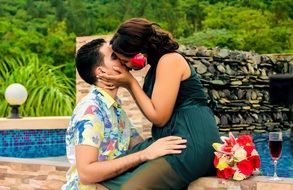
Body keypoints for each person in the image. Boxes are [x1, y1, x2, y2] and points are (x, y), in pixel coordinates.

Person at [98, 18, 221, 189]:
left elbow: (159, 117)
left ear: (140, 53)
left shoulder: (170, 61)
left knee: (131, 187)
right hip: (170, 139)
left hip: (190, 142)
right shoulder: (156, 67)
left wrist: (130, 83)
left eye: (125, 61)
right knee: (105, 178)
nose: (126, 67)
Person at [62, 38, 187, 190]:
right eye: (114, 57)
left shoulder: (114, 107)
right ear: (101, 72)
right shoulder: (91, 110)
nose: (122, 59)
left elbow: (138, 145)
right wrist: (144, 154)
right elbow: (87, 174)